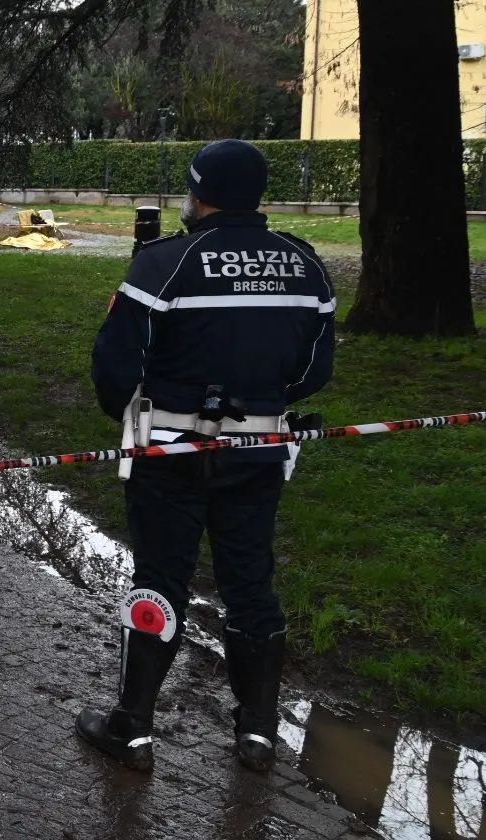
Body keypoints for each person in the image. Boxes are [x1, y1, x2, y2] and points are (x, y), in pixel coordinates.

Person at [78, 138, 335, 774]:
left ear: (200, 194)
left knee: (160, 577)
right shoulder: (306, 267)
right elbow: (313, 369)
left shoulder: (165, 262)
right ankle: (257, 734)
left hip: (167, 451)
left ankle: (132, 727)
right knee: (250, 582)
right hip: (260, 450)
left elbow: (114, 365)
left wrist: (136, 413)